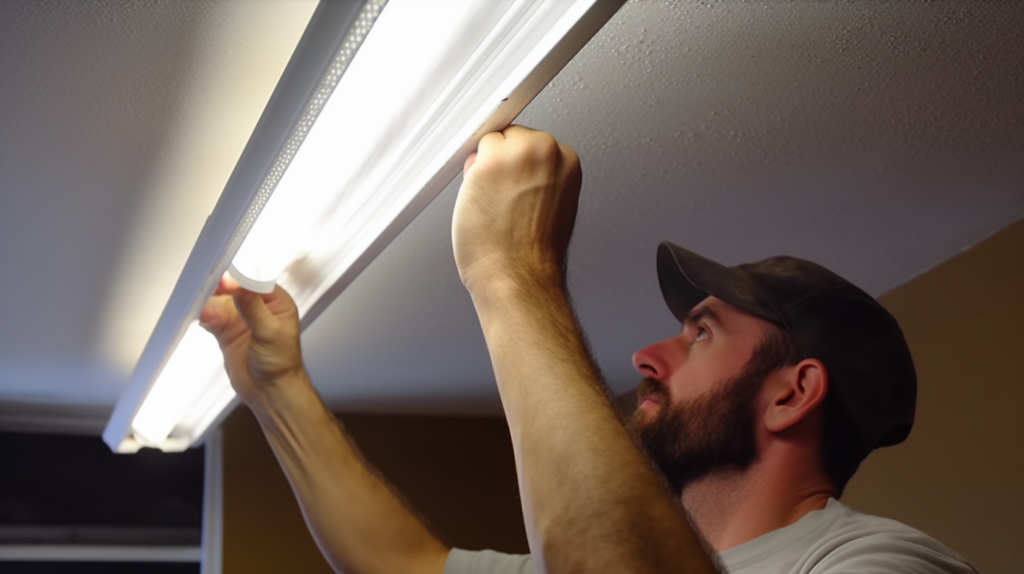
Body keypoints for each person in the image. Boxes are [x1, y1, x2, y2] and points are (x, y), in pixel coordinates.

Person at [200, 126, 976, 573]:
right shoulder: (587, 554)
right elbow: (401, 565)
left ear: (791, 393)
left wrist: (514, 273)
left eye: (700, 333)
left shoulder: (884, 565)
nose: (646, 357)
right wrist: (274, 385)